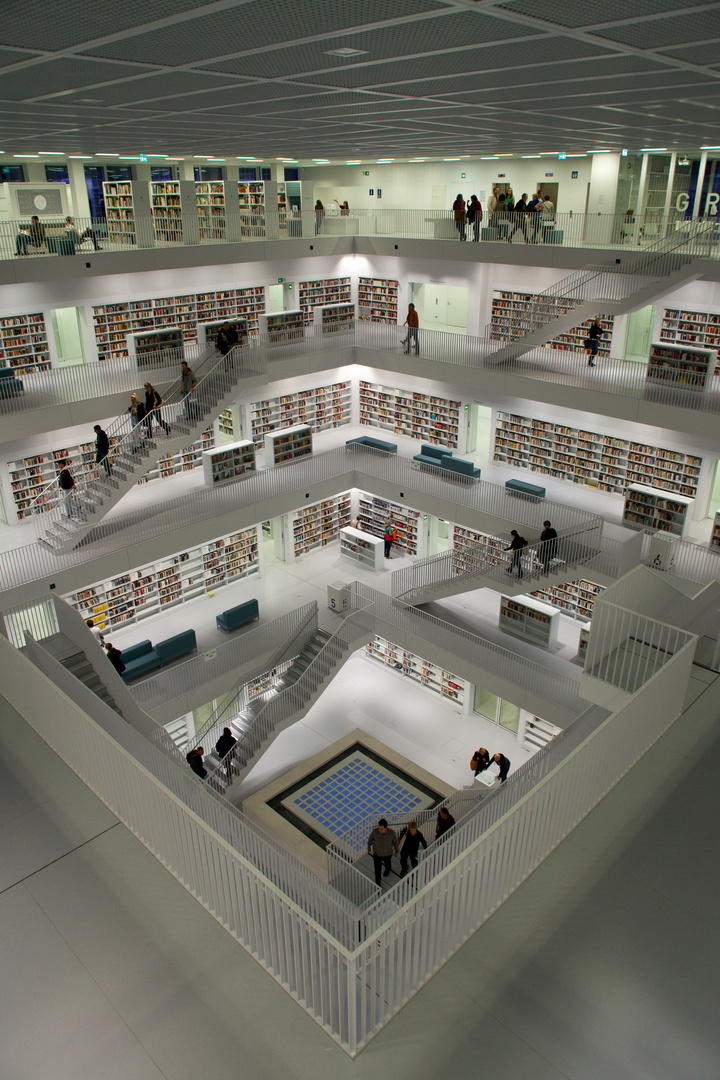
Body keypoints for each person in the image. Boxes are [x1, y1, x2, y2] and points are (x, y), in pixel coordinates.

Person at [367, 818, 399, 886]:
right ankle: (378, 883)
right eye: (378, 828)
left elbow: (395, 843)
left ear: (386, 828)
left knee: (387, 863)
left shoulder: (392, 833)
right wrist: (369, 846)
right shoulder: (375, 832)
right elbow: (370, 839)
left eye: (381, 829)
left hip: (387, 854)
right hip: (377, 854)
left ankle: (388, 869)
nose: (379, 830)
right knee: (377, 870)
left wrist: (396, 851)